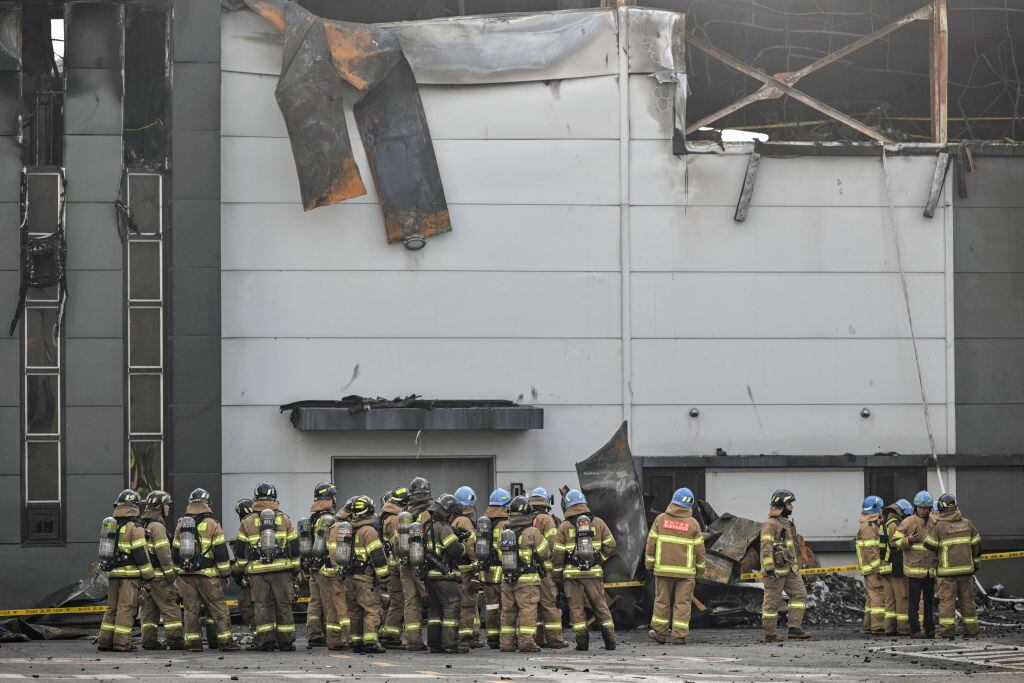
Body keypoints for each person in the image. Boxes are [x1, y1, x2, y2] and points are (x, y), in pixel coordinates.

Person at [172, 488, 239, 652]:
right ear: (207, 504)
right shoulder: (212, 524)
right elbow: (220, 551)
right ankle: (225, 642)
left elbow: (174, 553)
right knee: (218, 608)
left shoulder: (181, 524)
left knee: (190, 611)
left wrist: (177, 573)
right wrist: (225, 574)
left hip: (186, 576)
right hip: (208, 576)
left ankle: (193, 644)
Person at [237, 482, 299, 651]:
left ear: (255, 498)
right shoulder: (285, 519)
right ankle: (286, 642)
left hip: (257, 573)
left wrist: (243, 570)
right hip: (282, 571)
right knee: (283, 605)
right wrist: (295, 569)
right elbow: (294, 546)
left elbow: (241, 552)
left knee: (261, 606)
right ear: (274, 498)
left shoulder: (247, 521)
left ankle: (265, 642)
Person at [552, 489, 616, 651]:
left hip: (571, 576)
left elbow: (558, 554)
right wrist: (598, 559)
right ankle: (610, 641)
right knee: (600, 606)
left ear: (567, 505)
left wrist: (557, 575)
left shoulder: (565, 526)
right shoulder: (599, 523)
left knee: (576, 609)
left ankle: (582, 643)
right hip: (594, 574)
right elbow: (611, 544)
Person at [645, 487, 705, 645]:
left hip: (663, 571)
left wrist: (649, 564)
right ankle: (679, 636)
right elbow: (700, 550)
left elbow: (650, 544)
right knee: (683, 604)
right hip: (685, 574)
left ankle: (659, 633)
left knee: (661, 602)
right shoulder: (693, 524)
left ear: (673, 501)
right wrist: (701, 569)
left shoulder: (660, 520)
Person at [97, 489, 154, 652]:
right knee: (126, 608)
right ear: (134, 506)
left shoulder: (112, 525)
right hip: (130, 576)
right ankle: (122, 643)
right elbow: (141, 555)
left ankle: (105, 641)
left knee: (112, 608)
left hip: (113, 573)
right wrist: (149, 577)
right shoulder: (134, 527)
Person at [925, 494, 981, 639]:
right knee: (968, 601)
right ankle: (971, 631)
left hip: (947, 573)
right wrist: (975, 565)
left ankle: (947, 632)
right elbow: (977, 546)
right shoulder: (968, 523)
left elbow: (929, 544)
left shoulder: (939, 526)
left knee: (947, 603)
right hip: (966, 571)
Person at [498, 496, 550, 653]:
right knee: (527, 611)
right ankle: (526, 643)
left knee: (507, 612)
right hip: (527, 581)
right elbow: (544, 553)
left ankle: (506, 644)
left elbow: (499, 554)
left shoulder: (504, 532)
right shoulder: (532, 532)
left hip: (507, 580)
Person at [339, 495, 390, 653]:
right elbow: (378, 558)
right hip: (365, 580)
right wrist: (384, 578)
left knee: (354, 612)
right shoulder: (369, 531)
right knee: (371, 610)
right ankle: (370, 643)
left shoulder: (348, 530)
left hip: (349, 578)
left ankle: (356, 642)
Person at [759, 489, 811, 643]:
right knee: (772, 602)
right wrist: (769, 568)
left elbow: (792, 546)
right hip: (774, 571)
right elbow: (765, 547)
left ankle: (794, 628)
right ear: (782, 505)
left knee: (800, 594)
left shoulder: (788, 524)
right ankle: (770, 633)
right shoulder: (770, 524)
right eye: (789, 504)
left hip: (790, 569)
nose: (792, 507)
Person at [422, 493, 469, 653]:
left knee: (435, 611)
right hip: (444, 575)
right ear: (447, 512)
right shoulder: (443, 527)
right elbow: (454, 550)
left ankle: (434, 644)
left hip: (430, 576)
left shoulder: (428, 525)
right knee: (451, 607)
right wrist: (463, 545)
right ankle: (450, 644)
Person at [138, 490, 183, 650]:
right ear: (159, 507)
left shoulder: (145, 524)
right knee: (171, 609)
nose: (168, 508)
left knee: (149, 611)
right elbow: (164, 554)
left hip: (147, 578)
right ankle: (175, 641)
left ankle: (149, 641)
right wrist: (171, 576)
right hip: (159, 578)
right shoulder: (157, 526)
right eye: (166, 505)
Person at [891, 490, 937, 638]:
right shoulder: (908, 522)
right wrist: (908, 540)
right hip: (914, 570)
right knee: (914, 603)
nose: (923, 510)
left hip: (930, 570)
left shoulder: (933, 523)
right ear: (915, 507)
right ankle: (915, 630)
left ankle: (929, 629)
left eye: (926, 508)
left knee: (929, 602)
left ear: (930, 509)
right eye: (920, 507)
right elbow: (894, 542)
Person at [529, 487, 567, 648]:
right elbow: (553, 544)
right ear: (546, 502)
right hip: (544, 570)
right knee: (549, 604)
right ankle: (554, 640)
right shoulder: (546, 519)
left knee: (535, 606)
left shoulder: (526, 518)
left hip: (528, 570)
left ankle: (537, 638)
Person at [399, 477, 433, 651]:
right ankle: (436, 639)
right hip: (422, 563)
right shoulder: (428, 513)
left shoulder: (404, 513)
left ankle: (413, 641)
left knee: (410, 601)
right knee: (431, 599)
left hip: (405, 564)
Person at [304, 482, 337, 648]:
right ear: (329, 498)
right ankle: (329, 634)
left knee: (314, 601)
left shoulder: (314, 517)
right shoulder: (327, 519)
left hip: (312, 565)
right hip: (324, 566)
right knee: (328, 601)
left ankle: (314, 634)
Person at [452, 486, 484, 648]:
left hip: (457, 569)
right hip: (466, 570)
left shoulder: (455, 519)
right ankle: (466, 636)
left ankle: (473, 632)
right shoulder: (465, 521)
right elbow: (470, 543)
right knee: (468, 603)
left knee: (469, 601)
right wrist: (476, 563)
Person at [481, 488, 511, 649]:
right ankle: (504, 638)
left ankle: (492, 638)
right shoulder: (504, 525)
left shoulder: (484, 523)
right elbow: (503, 550)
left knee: (491, 607)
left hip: (486, 574)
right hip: (500, 574)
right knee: (505, 607)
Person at [379, 487, 410, 646]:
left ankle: (383, 631)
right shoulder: (394, 519)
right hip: (394, 567)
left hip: (388, 566)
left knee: (390, 600)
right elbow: (398, 545)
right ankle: (391, 636)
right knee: (397, 600)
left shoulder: (386, 516)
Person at [880, 499, 912, 636]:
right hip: (894, 566)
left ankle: (889, 628)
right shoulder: (895, 525)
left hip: (885, 567)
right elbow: (896, 545)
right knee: (902, 598)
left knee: (890, 600)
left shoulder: (885, 523)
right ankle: (903, 628)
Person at [321, 504, 351, 651]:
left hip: (329, 572)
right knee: (343, 607)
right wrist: (341, 571)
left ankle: (333, 640)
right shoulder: (340, 528)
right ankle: (352, 638)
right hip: (337, 574)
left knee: (333, 608)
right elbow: (334, 553)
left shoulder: (333, 526)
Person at [856, 495, 886, 635]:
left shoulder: (870, 525)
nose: (882, 511)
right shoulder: (869, 527)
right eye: (881, 509)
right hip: (873, 569)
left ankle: (869, 625)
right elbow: (870, 551)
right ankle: (878, 626)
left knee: (871, 596)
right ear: (876, 510)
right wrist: (877, 568)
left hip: (869, 568)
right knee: (877, 596)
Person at [232, 498, 256, 637]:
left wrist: (235, 569)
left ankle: (259, 634)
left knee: (246, 605)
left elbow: (242, 555)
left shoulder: (246, 526)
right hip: (267, 574)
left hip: (251, 575)